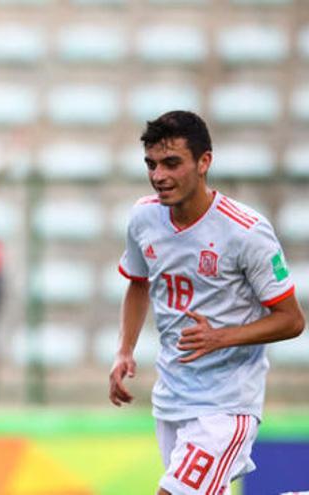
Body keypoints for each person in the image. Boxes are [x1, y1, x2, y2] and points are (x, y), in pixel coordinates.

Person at [109, 110, 304, 495]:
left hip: (226, 404)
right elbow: (137, 282)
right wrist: (124, 350)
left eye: (171, 163)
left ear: (204, 162)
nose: (158, 175)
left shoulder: (246, 232)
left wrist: (221, 337)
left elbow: (292, 320)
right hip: (173, 398)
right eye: (151, 164)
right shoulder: (144, 217)